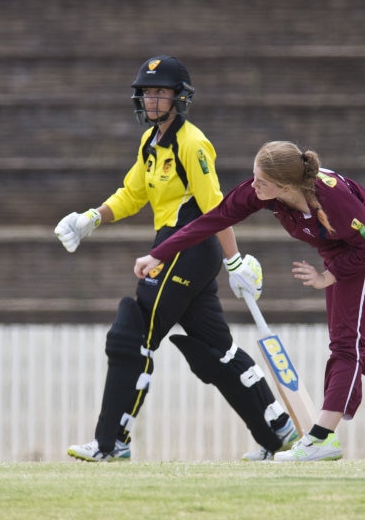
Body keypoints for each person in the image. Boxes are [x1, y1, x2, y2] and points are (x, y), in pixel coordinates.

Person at [134, 140, 365, 461]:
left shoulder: (332, 197)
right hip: (341, 252)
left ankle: (321, 438)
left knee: (347, 344)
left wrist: (328, 276)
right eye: (254, 176)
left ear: (286, 186)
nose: (253, 185)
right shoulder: (260, 191)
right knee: (359, 342)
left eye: (261, 181)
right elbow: (214, 219)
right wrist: (157, 255)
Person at [55, 55, 298, 462]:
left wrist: (234, 261)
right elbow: (133, 194)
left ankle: (111, 440)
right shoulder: (151, 145)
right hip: (175, 247)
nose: (151, 100)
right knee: (215, 351)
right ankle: (277, 433)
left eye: (160, 92)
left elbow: (215, 206)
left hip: (187, 246)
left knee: (131, 336)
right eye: (147, 92)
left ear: (179, 97)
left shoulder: (193, 144)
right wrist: (92, 218)